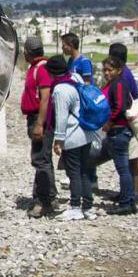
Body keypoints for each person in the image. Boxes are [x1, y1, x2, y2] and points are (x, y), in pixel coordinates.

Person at [49, 55, 97, 221]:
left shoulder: (60, 90)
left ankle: (75, 206)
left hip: (73, 136)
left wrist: (58, 141)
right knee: (84, 171)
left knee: (74, 172)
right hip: (86, 133)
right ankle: (88, 208)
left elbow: (61, 118)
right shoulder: (75, 79)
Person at [19, 35, 57, 218]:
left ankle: (43, 201)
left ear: (27, 53)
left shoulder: (41, 70)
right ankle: (50, 195)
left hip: (39, 120)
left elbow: (45, 98)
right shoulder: (38, 68)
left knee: (40, 160)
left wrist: (39, 124)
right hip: (37, 119)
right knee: (44, 159)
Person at [100, 57, 137, 214]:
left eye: (110, 70)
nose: (107, 73)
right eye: (105, 70)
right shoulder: (115, 83)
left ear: (119, 70)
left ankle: (127, 203)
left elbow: (120, 107)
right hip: (118, 130)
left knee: (123, 169)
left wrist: (110, 122)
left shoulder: (119, 84)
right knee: (123, 168)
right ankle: (126, 197)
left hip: (119, 130)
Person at [108, 43, 138, 197]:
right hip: (127, 121)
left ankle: (132, 194)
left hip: (129, 121)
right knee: (127, 160)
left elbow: (122, 104)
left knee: (132, 159)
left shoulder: (123, 76)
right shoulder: (125, 73)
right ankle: (127, 192)